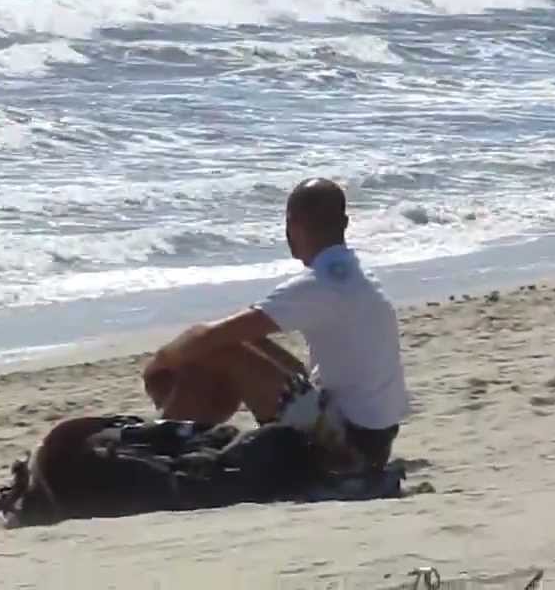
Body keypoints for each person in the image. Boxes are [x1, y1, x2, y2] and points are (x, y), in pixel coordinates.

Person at [143, 177, 409, 470]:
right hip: (371, 435)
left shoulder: (319, 284)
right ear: (344, 224)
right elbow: (240, 333)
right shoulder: (354, 275)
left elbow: (208, 336)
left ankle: (160, 440)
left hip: (349, 447)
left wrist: (158, 364)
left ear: (291, 228)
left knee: (219, 348)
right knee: (241, 342)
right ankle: (184, 428)